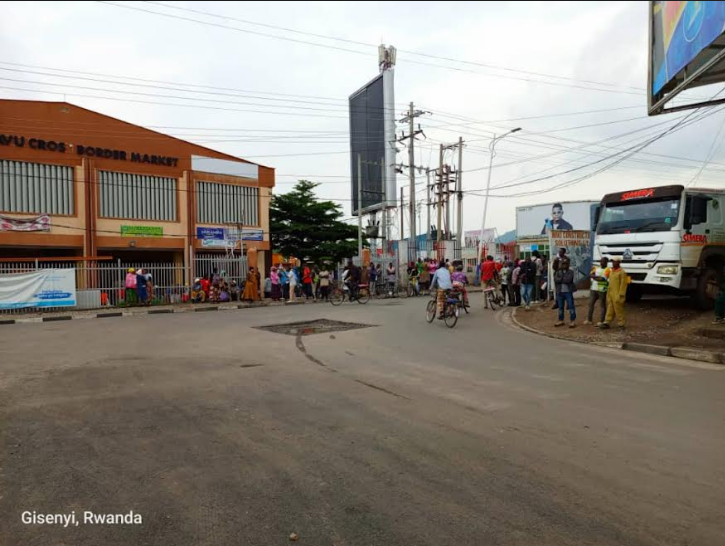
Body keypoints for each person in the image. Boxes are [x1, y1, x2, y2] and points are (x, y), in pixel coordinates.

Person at [599, 259, 628, 329]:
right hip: (611, 293)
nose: (613, 263)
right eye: (612, 262)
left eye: (615, 261)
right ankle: (607, 322)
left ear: (619, 262)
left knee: (618, 309)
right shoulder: (612, 271)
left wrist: (621, 294)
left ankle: (621, 323)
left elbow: (623, 284)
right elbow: (610, 283)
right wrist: (608, 293)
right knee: (610, 308)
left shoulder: (622, 272)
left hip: (617, 294)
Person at [585, 257, 610, 326]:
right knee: (590, 304)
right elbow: (590, 275)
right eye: (601, 261)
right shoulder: (596, 268)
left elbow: (603, 279)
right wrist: (597, 277)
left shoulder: (608, 270)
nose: (602, 263)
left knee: (602, 305)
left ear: (606, 262)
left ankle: (602, 321)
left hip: (602, 289)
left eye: (603, 261)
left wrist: (594, 277)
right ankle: (589, 320)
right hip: (594, 288)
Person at [554, 258, 577, 328]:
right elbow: (556, 280)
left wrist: (560, 279)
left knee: (571, 306)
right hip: (560, 292)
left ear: (568, 265)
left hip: (568, 292)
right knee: (560, 307)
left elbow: (568, 280)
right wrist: (562, 279)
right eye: (563, 264)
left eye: (565, 264)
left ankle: (572, 321)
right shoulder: (558, 272)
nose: (564, 266)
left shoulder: (571, 272)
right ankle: (561, 320)